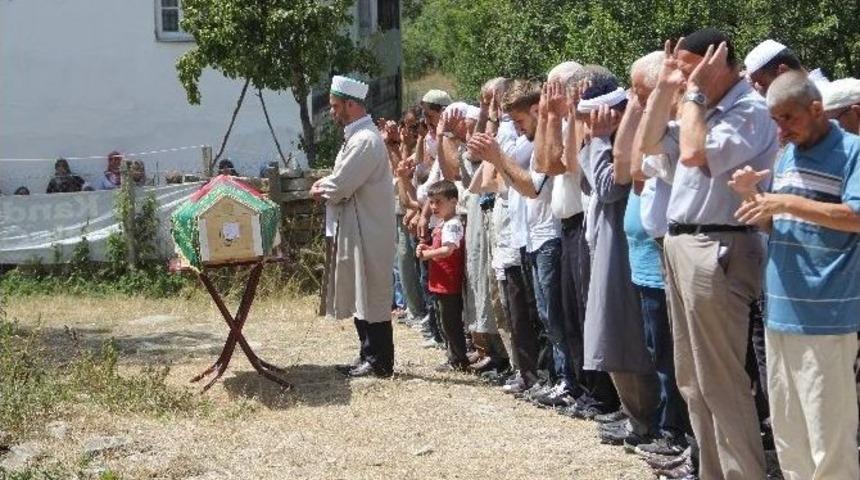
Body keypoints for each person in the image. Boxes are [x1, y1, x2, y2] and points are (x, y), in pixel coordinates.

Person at [638, 28, 779, 479]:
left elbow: (696, 153)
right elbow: (649, 142)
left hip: (719, 243)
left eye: (685, 64)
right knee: (692, 379)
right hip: (683, 243)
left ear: (716, 63)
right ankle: (710, 472)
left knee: (720, 378)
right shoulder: (703, 106)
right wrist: (663, 89)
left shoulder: (750, 110)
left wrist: (693, 92)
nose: (678, 74)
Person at [729, 71, 860, 480]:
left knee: (829, 436)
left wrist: (785, 202)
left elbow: (855, 216)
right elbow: (778, 226)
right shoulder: (787, 155)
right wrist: (752, 198)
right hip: (780, 311)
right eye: (776, 120)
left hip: (827, 315)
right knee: (789, 432)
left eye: (788, 118)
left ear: (816, 109)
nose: (781, 129)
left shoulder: (853, 151)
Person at [311, 75, 397, 378]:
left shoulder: (365, 140)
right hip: (358, 226)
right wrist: (327, 184)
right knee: (362, 292)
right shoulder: (357, 137)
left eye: (336, 106)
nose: (333, 112)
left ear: (351, 104)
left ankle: (380, 361)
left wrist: (321, 188)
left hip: (369, 229)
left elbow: (341, 184)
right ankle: (367, 355)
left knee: (372, 293)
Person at [416, 179, 468, 370]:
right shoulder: (442, 224)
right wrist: (426, 248)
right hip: (439, 282)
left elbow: (448, 250)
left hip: (449, 283)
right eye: (431, 202)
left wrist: (428, 254)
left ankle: (458, 359)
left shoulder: (452, 224)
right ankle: (452, 356)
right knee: (443, 322)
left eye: (439, 202)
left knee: (450, 323)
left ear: (453, 201)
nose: (434, 207)